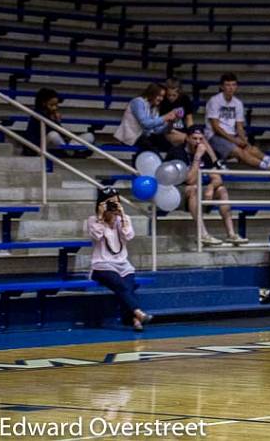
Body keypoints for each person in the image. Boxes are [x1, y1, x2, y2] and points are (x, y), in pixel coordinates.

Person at [86, 187, 153, 331]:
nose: (113, 206)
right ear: (101, 204)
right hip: (102, 265)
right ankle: (137, 315)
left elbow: (128, 236)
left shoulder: (124, 219)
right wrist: (100, 216)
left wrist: (122, 217)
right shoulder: (93, 220)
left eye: (116, 202)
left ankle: (133, 318)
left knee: (129, 287)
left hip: (123, 264)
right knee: (121, 286)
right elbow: (97, 236)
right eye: (110, 203)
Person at [167, 126, 246, 246]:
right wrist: (197, 157)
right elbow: (190, 180)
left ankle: (231, 234)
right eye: (194, 138)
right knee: (193, 189)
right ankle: (203, 234)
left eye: (201, 139)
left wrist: (210, 187)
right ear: (187, 138)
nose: (198, 142)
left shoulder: (205, 153)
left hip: (198, 189)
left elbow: (217, 178)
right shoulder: (177, 152)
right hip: (177, 192)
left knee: (221, 190)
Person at [204, 73, 270, 171]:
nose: (231, 88)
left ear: (237, 86)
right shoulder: (215, 101)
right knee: (239, 151)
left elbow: (239, 127)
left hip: (231, 135)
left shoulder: (238, 103)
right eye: (228, 85)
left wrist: (243, 140)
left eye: (233, 85)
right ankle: (267, 166)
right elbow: (216, 128)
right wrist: (235, 140)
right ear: (221, 86)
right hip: (214, 136)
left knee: (249, 148)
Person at [114, 83, 184, 155]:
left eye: (162, 96)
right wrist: (165, 117)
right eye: (159, 96)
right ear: (152, 93)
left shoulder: (154, 108)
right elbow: (145, 124)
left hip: (144, 137)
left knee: (169, 146)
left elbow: (157, 130)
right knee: (152, 150)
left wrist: (170, 122)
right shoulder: (138, 102)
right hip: (132, 137)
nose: (161, 99)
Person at [159, 77, 196, 146]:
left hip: (182, 129)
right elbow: (162, 124)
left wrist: (192, 132)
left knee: (200, 139)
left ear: (179, 93)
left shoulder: (185, 99)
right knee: (187, 139)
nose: (171, 97)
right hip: (167, 131)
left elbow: (189, 119)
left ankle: (213, 157)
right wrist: (185, 136)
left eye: (174, 95)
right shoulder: (162, 100)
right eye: (169, 95)